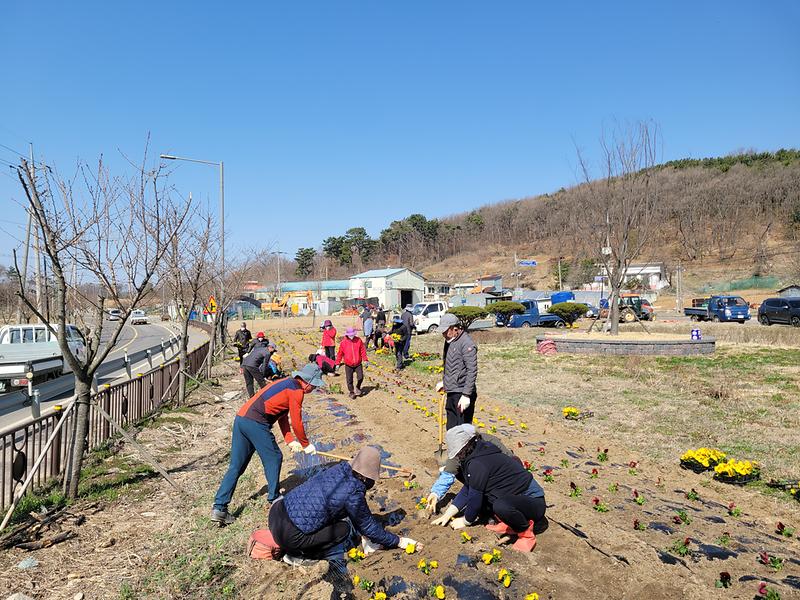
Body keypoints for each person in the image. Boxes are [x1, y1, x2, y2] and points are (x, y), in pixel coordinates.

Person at [268, 446, 418, 570]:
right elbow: (368, 525)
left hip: (276, 513)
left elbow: (350, 511)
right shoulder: (353, 492)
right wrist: (399, 541)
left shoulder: (340, 469)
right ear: (367, 476)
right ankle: (298, 555)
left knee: (334, 512)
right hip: (290, 536)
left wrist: (365, 537)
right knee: (343, 529)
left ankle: (295, 546)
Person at [211, 364, 325, 525]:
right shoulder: (297, 392)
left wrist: (290, 440)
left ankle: (219, 507)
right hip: (256, 422)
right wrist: (306, 444)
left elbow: (282, 415)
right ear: (307, 382)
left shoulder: (286, 382)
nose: (314, 389)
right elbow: (297, 421)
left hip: (241, 419)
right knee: (274, 457)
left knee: (236, 466)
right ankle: (274, 498)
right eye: (314, 386)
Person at [431, 425, 545, 552]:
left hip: (533, 501)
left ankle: (526, 534)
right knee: (494, 500)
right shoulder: (477, 453)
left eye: (458, 453)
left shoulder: (478, 463)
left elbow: (474, 499)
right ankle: (511, 523)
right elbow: (468, 488)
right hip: (517, 500)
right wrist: (448, 514)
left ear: (465, 448)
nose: (457, 456)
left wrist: (466, 521)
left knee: (500, 505)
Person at [423, 424, 516, 515]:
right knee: (459, 471)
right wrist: (436, 493)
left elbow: (512, 465)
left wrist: (467, 519)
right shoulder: (460, 450)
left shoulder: (491, 443)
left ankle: (489, 504)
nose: (457, 454)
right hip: (484, 478)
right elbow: (449, 472)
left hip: (505, 481)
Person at [435, 313, 478, 429]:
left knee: (462, 431)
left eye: (445, 331)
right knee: (451, 428)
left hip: (462, 392)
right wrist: (445, 382)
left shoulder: (467, 344)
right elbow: (450, 365)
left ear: (455, 329)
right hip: (452, 391)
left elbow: (472, 370)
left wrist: (466, 395)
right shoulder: (449, 341)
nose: (444, 335)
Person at [336, 327, 369, 398]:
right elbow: (340, 354)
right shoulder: (343, 343)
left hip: (358, 363)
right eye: (349, 335)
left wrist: (365, 360)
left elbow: (362, 351)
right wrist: (337, 363)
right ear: (347, 334)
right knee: (349, 380)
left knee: (360, 377)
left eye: (352, 334)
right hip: (348, 364)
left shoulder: (358, 340)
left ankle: (357, 387)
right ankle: (351, 392)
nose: (351, 336)